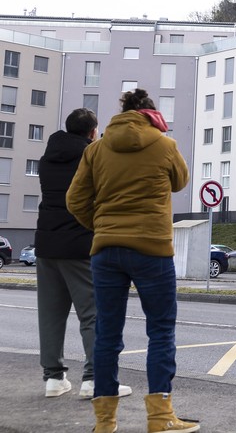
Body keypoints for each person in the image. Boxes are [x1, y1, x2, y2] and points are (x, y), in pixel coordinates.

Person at [66, 89, 197, 433]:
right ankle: (159, 417)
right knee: (160, 331)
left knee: (107, 334)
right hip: (152, 248)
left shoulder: (95, 149)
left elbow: (75, 199)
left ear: (122, 112)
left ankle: (105, 422)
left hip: (107, 250)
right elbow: (181, 181)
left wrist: (103, 226)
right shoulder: (164, 145)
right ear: (150, 114)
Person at [35, 108, 133, 400]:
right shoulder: (91, 156)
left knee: (51, 314)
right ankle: (94, 379)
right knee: (93, 314)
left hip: (46, 243)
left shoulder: (46, 159)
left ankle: (53, 379)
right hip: (79, 243)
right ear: (93, 132)